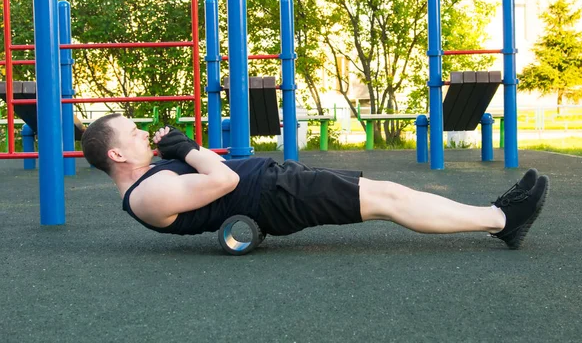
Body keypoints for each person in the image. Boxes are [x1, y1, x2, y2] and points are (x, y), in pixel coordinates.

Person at [81, 113, 549, 250]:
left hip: (277, 184)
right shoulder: (149, 195)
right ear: (117, 153)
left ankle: (495, 216)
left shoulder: (151, 177)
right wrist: (183, 147)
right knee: (389, 198)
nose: (144, 132)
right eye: (133, 132)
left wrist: (176, 151)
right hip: (275, 198)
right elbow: (221, 179)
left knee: (390, 193)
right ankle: (502, 219)